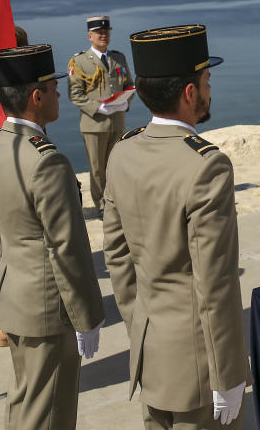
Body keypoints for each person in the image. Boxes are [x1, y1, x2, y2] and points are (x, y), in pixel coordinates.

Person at [103, 25, 250, 429]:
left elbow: (117, 259)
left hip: (151, 355)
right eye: (205, 80)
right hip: (198, 369)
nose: (208, 89)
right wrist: (227, 376)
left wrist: (145, 331)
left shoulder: (123, 152)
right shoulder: (206, 166)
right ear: (189, 93)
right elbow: (214, 283)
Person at [0, 44, 105, 430]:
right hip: (50, 310)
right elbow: (67, 248)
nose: (59, 95)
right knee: (49, 415)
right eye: (53, 88)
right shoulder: (46, 160)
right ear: (36, 97)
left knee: (27, 404)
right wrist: (88, 317)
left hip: (16, 297)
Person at [67, 15, 133, 214]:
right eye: (98, 33)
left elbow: (128, 84)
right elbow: (74, 94)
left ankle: (116, 200)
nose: (103, 35)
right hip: (93, 124)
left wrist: (125, 104)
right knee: (97, 169)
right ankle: (101, 205)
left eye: (106, 32)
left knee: (116, 165)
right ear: (89, 36)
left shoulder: (118, 58)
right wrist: (97, 107)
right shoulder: (79, 61)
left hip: (117, 121)